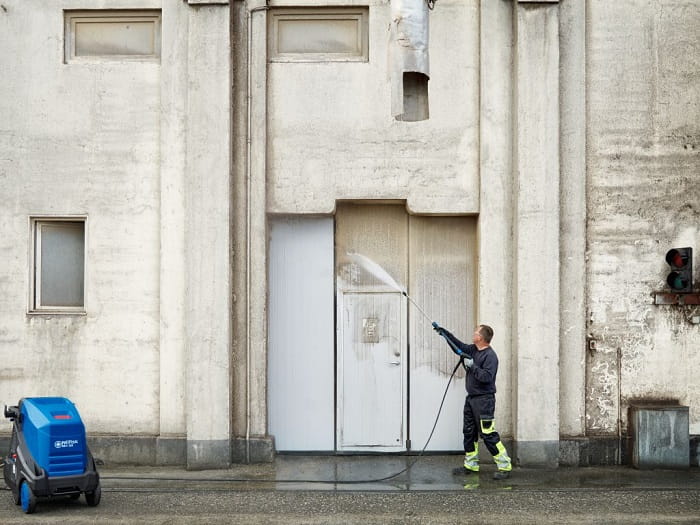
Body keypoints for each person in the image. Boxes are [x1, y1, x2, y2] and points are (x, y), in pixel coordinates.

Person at [434, 323, 513, 480]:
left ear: (481, 337)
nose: (473, 334)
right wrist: (444, 333)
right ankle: (471, 465)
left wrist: (473, 366)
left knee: (488, 434)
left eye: (476, 332)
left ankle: (505, 466)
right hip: (471, 399)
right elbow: (459, 346)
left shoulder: (490, 356)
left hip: (484, 400)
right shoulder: (473, 350)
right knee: (469, 432)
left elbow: (487, 377)